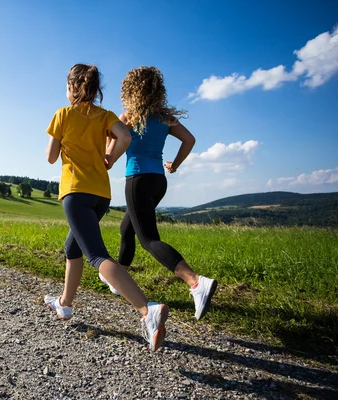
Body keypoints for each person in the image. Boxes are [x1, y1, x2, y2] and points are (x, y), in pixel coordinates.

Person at [43, 63, 169, 351]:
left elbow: (51, 157)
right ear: (96, 90)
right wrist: (109, 159)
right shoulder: (106, 116)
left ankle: (147, 311)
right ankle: (64, 304)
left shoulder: (63, 114)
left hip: (75, 192)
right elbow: (124, 136)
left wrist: (64, 145)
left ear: (72, 87)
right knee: (72, 248)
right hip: (101, 195)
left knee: (97, 256)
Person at [100, 66, 217, 321]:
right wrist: (175, 165)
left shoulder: (129, 117)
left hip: (137, 179)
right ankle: (118, 277)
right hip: (158, 181)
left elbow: (111, 155)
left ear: (131, 90)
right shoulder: (165, 117)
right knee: (126, 228)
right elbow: (190, 140)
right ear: (157, 91)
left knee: (149, 240)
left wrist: (106, 156)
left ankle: (196, 282)